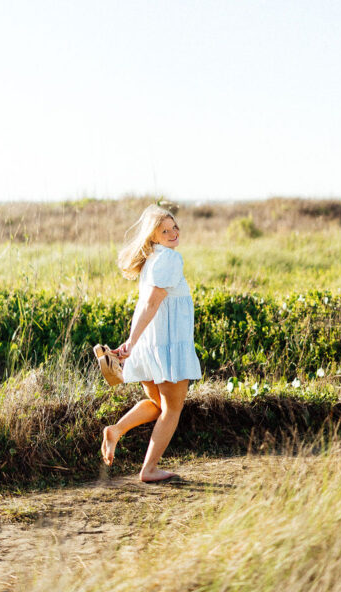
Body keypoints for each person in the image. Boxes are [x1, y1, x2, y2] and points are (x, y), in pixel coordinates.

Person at [100, 203, 201, 482]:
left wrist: (134, 342)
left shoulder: (152, 260)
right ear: (153, 237)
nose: (172, 233)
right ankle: (149, 469)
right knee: (172, 409)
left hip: (150, 344)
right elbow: (153, 303)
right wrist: (131, 342)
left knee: (157, 404)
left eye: (174, 227)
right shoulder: (169, 259)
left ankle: (116, 430)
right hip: (167, 346)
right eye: (164, 230)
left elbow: (145, 305)